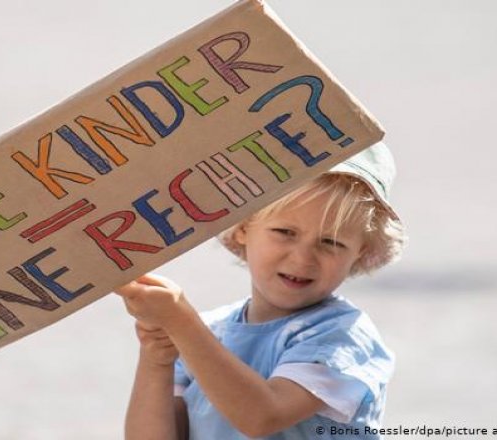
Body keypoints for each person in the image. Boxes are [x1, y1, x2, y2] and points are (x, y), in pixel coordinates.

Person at [115, 142, 406, 439]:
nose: (302, 258)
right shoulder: (208, 332)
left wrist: (179, 321)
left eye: (331, 243)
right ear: (244, 227)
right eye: (285, 233)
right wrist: (156, 358)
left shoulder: (341, 337)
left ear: (359, 253)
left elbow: (263, 416)